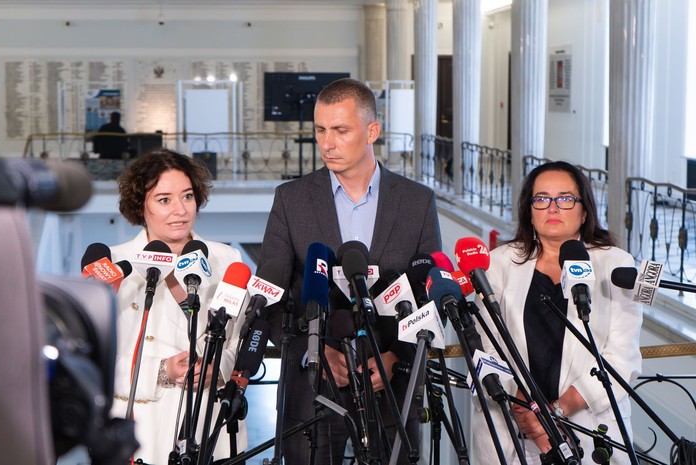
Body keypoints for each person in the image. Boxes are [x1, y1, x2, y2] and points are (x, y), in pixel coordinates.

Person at [258, 78, 442, 464]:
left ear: (372, 131)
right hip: (310, 397)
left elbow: (428, 296)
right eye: (320, 130)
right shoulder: (290, 200)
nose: (327, 143)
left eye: (340, 130)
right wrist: (314, 353)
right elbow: (270, 297)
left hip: (393, 394)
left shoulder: (418, 202)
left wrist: (396, 358)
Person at [471, 161, 643, 464]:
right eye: (541, 199)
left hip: (588, 430)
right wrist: (526, 411)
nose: (552, 208)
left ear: (584, 211)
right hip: (514, 429)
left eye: (565, 198)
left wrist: (556, 413)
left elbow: (621, 358)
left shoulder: (616, 264)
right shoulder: (498, 263)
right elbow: (487, 346)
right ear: (530, 211)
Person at [108, 148, 247, 465]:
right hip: (142, 432)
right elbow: (97, 361)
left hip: (211, 428)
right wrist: (161, 371)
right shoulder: (115, 263)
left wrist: (217, 369)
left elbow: (240, 340)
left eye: (187, 196)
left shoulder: (226, 259)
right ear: (140, 206)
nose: (180, 210)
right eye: (164, 200)